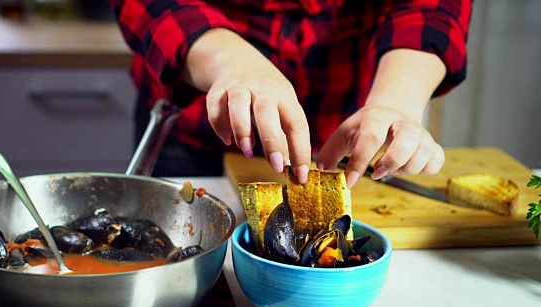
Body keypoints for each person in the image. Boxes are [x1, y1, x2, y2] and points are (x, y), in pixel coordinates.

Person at [111, 0, 471, 186]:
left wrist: (397, 102)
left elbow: (431, 7)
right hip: (191, 127)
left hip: (348, 126)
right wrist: (229, 61)